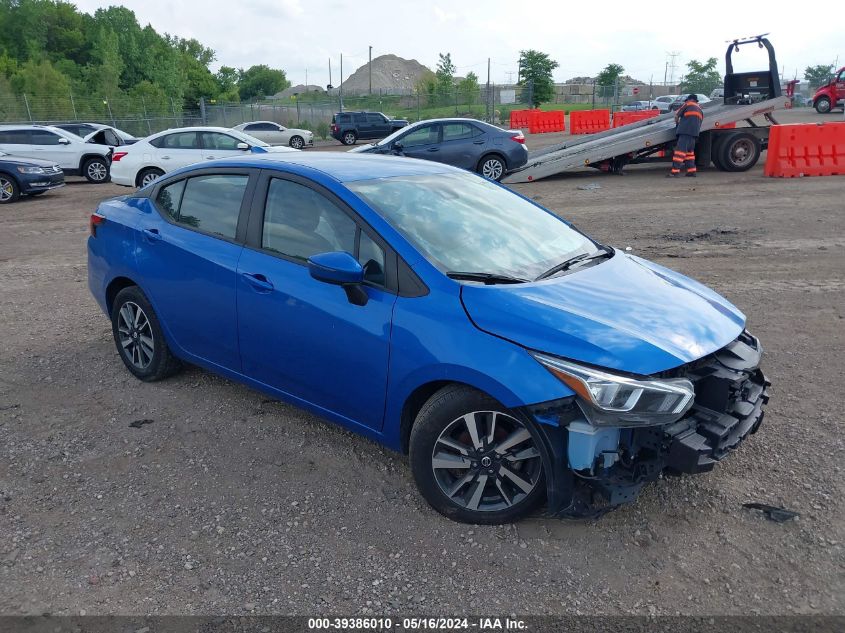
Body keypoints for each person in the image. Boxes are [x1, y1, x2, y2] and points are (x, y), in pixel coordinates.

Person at [668, 94, 704, 177]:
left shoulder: (688, 104)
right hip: (694, 134)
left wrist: (677, 124)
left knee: (679, 152)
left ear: (689, 99)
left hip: (685, 132)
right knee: (689, 153)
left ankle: (674, 172)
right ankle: (691, 171)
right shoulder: (700, 109)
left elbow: (677, 115)